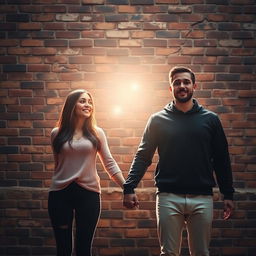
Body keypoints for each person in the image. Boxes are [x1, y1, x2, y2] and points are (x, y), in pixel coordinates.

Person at [123, 66, 235, 256]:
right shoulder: (157, 120)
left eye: (186, 82)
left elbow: (221, 159)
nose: (181, 86)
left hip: (202, 197)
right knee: (168, 253)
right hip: (168, 197)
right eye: (177, 83)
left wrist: (228, 194)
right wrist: (129, 187)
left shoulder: (211, 120)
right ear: (171, 88)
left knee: (201, 252)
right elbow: (143, 156)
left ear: (194, 86)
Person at [48, 89, 125, 256]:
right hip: (60, 195)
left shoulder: (97, 133)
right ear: (71, 105)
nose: (87, 105)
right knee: (63, 249)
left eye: (90, 102)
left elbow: (109, 163)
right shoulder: (56, 134)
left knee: (83, 249)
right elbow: (59, 165)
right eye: (82, 101)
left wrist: (127, 188)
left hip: (88, 195)